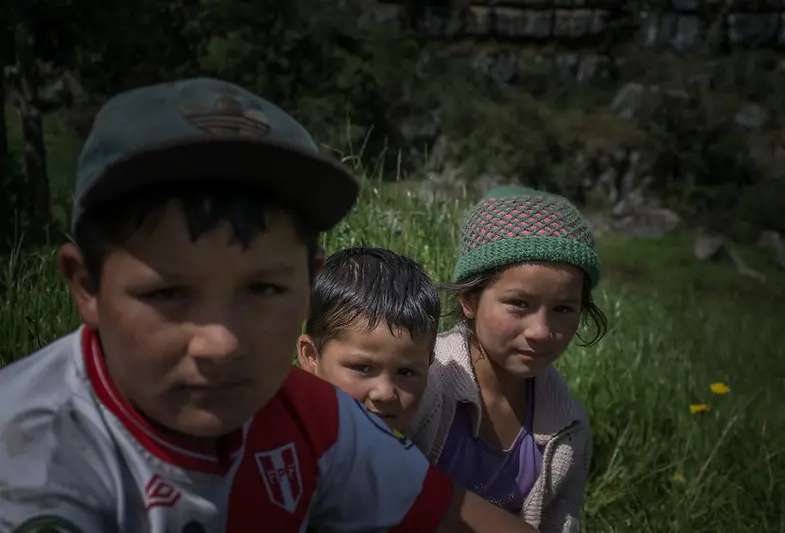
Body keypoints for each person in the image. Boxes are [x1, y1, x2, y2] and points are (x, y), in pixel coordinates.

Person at [0, 78, 541, 533]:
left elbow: (457, 517)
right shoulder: (30, 457)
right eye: (166, 293)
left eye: (263, 290)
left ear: (309, 284)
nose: (221, 342)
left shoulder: (314, 415)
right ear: (85, 287)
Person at [407, 186, 608, 532]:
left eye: (563, 309)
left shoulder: (568, 427)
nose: (541, 331)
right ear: (469, 299)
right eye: (519, 304)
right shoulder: (419, 383)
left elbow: (562, 521)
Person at [297, 246, 438, 434]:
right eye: (362, 368)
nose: (385, 393)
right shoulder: (277, 448)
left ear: (429, 364)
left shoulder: (409, 458)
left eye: (405, 372)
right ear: (311, 356)